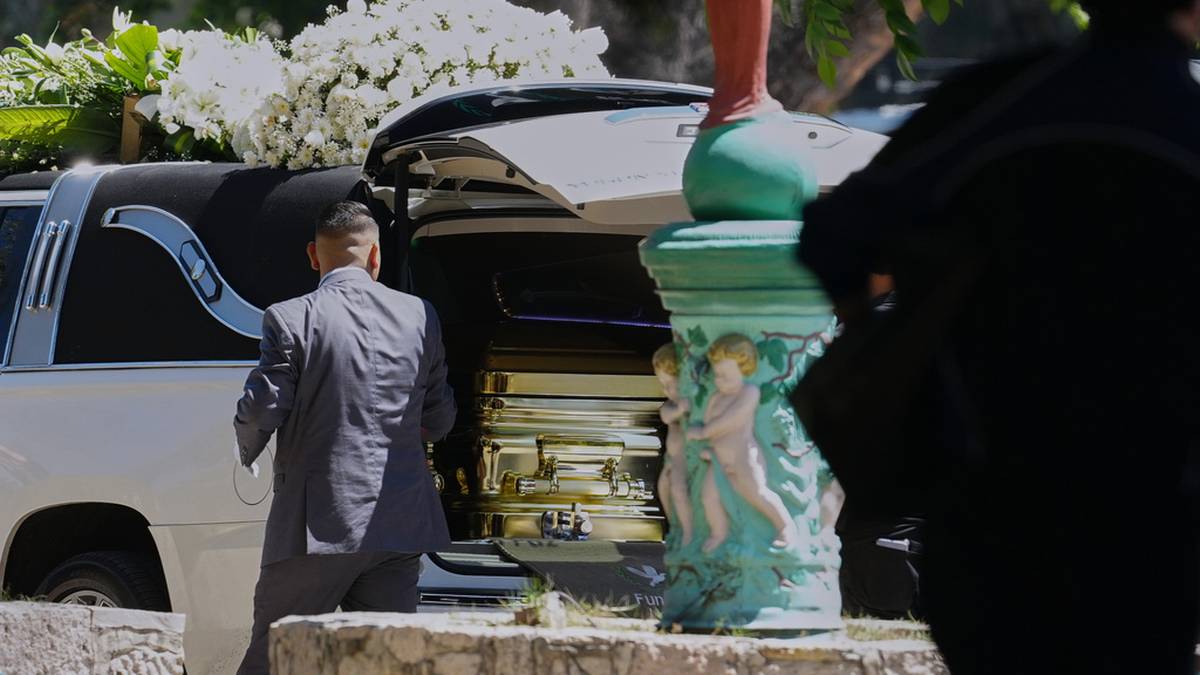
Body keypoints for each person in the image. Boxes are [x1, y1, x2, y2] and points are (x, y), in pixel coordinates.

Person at [798, 1, 1200, 672]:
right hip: (1152, 525)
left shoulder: (996, 104)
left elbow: (832, 240)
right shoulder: (1182, 121)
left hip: (988, 516)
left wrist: (908, 340)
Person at [233, 201, 456, 675]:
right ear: (375, 255)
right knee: (386, 665)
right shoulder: (420, 315)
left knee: (277, 657)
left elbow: (261, 408)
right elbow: (439, 418)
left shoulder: (290, 317)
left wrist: (247, 448)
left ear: (314, 256)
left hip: (317, 525)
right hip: (399, 524)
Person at [688, 334, 799, 552]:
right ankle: (718, 533)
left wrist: (703, 432)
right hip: (719, 458)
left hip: (744, 456)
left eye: (727, 375)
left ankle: (785, 527)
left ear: (745, 369)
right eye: (717, 375)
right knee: (709, 497)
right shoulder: (716, 398)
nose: (720, 380)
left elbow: (732, 419)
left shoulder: (749, 392)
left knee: (756, 492)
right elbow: (711, 423)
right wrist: (709, 446)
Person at [653, 344, 695, 546]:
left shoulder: (697, 405)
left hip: (684, 461)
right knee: (664, 490)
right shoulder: (672, 406)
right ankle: (675, 528)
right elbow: (666, 415)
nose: (666, 390)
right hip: (671, 461)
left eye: (671, 383)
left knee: (679, 490)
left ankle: (688, 533)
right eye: (663, 384)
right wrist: (680, 409)